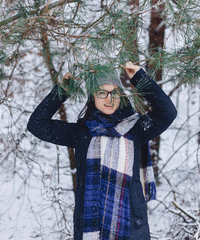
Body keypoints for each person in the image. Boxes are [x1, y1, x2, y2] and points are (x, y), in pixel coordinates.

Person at [27, 61, 177, 240]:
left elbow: (167, 113)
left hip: (131, 229)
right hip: (92, 228)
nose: (109, 98)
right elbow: (37, 125)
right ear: (93, 97)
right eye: (102, 93)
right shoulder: (81, 132)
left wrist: (139, 78)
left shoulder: (136, 129)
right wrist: (62, 90)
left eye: (114, 92)